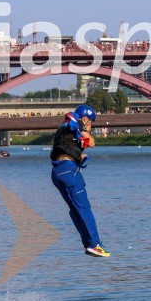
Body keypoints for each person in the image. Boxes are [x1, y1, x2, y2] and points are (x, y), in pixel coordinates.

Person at [50, 104, 109, 258]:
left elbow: (66, 148)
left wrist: (79, 156)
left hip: (58, 172)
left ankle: (89, 244)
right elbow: (92, 142)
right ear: (85, 118)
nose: (92, 126)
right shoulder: (74, 122)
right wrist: (84, 127)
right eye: (91, 122)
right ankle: (95, 244)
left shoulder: (65, 130)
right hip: (69, 172)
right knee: (84, 208)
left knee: (75, 209)